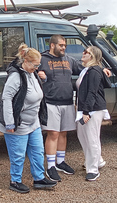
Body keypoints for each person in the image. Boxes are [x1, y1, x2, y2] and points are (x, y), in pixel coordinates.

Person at [0, 43, 57, 194]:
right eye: (35, 65)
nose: (37, 68)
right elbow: (6, 99)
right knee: (18, 154)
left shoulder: (32, 73)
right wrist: (10, 122)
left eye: (38, 65)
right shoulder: (15, 76)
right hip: (18, 123)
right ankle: (15, 181)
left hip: (33, 122)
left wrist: (44, 78)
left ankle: (39, 178)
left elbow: (36, 91)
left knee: (37, 150)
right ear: (26, 61)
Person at [37, 35, 82, 182]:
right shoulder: (42, 59)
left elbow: (84, 70)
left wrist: (102, 70)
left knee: (63, 133)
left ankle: (60, 162)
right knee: (53, 134)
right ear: (52, 45)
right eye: (61, 45)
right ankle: (50, 166)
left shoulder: (68, 60)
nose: (63, 48)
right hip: (50, 102)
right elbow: (29, 72)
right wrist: (38, 75)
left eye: (65, 45)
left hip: (67, 102)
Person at [76, 46, 111, 181]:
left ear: (92, 56)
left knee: (92, 138)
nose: (83, 53)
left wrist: (86, 111)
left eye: (86, 52)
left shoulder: (94, 71)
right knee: (82, 135)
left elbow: (92, 91)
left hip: (93, 109)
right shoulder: (86, 70)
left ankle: (93, 169)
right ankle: (97, 160)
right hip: (85, 109)